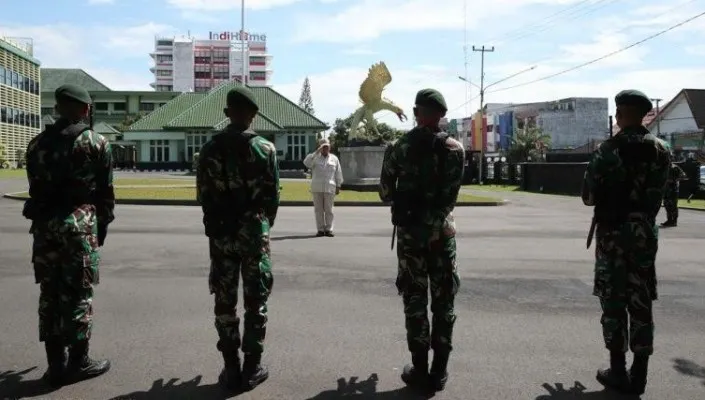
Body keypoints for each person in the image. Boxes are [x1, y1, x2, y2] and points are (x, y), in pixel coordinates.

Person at [23, 84, 115, 387]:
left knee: (49, 293)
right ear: (85, 109)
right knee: (78, 293)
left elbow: (35, 190)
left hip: (45, 228)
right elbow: (105, 194)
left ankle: (55, 364)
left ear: (59, 107)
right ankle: (79, 360)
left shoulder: (36, 145)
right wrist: (100, 228)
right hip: (79, 226)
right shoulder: (95, 142)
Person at [581, 90, 671, 396]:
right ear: (645, 114)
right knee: (641, 302)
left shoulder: (608, 150)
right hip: (644, 235)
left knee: (614, 302)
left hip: (612, 237)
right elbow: (660, 193)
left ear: (621, 113)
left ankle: (617, 370)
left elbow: (588, 196)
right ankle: (640, 374)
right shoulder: (662, 150)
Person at [379, 89, 465, 392]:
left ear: (417, 112)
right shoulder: (456, 149)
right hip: (442, 234)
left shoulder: (398, 147)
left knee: (415, 299)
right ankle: (439, 371)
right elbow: (452, 196)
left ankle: (419, 369)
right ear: (441, 114)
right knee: (444, 301)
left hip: (411, 236)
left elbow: (385, 193)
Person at [196, 86, 280, 392]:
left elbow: (203, 196)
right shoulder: (265, 149)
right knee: (256, 299)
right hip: (253, 232)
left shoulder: (209, 149)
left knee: (224, 299)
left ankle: (230, 368)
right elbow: (272, 198)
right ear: (253, 116)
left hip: (221, 232)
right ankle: (252, 366)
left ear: (228, 113)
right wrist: (259, 224)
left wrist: (216, 221)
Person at [302, 138, 343, 237]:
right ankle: (320, 229)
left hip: (330, 187)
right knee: (318, 210)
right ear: (320, 147)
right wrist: (316, 152)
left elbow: (338, 173)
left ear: (329, 147)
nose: (325, 148)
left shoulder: (334, 158)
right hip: (317, 187)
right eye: (323, 146)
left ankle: (329, 229)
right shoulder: (314, 157)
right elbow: (306, 163)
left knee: (329, 210)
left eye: (327, 146)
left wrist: (338, 185)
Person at [661, 162, 687, 227]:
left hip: (673, 190)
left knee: (673, 206)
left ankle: (674, 221)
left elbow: (684, 176)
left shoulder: (675, 167)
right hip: (666, 190)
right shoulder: (663, 166)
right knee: (666, 205)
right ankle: (669, 220)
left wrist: (674, 180)